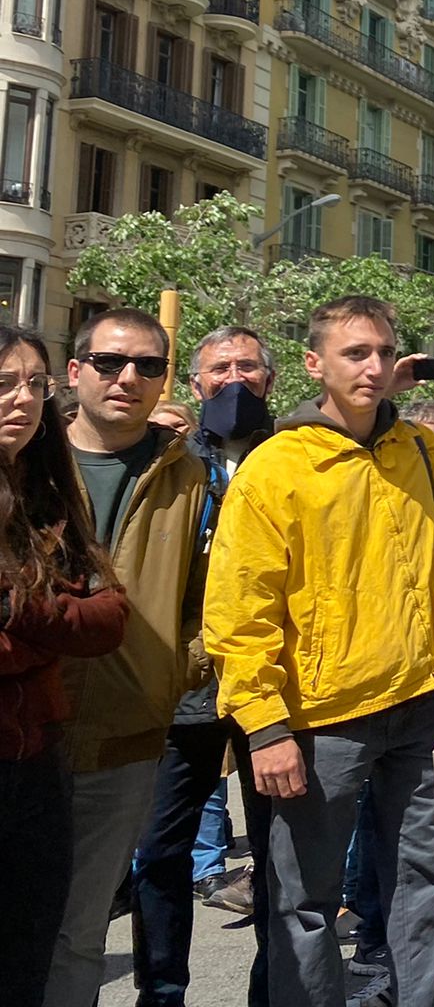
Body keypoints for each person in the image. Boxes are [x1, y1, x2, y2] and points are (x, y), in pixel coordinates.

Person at [205, 295, 434, 1007]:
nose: (373, 367)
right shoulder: (276, 467)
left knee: (428, 885)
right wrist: (265, 725)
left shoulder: (427, 453)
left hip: (426, 706)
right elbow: (242, 608)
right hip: (319, 722)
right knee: (303, 901)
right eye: (355, 354)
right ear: (315, 364)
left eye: (383, 353)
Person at [46, 308, 212, 1007]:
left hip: (126, 739)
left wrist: (174, 673)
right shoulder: (29, 459)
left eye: (148, 365)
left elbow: (207, 604)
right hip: (23, 725)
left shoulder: (188, 475)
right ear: (76, 371)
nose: (129, 378)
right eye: (111, 363)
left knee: (79, 931)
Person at [132, 325, 279, 1007]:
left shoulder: (294, 457)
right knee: (161, 854)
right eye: (219, 368)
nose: (235, 378)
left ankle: (272, 988)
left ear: (271, 379)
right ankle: (162, 990)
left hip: (276, 692)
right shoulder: (169, 463)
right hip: (185, 688)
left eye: (248, 366)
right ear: (195, 384)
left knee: (284, 856)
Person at [0, 325, 128, 1002]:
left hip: (36, 757)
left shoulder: (50, 494)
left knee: (28, 945)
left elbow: (109, 618)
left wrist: (22, 613)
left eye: (34, 384)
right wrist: (49, 618)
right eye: (3, 384)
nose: (22, 399)